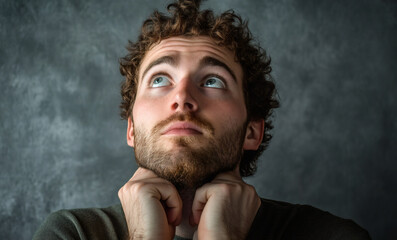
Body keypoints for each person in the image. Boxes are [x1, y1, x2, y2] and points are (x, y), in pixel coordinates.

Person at [33, 0, 371, 239]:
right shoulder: (72, 234)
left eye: (212, 81)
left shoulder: (331, 236)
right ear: (132, 129)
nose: (182, 97)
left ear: (252, 131)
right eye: (159, 79)